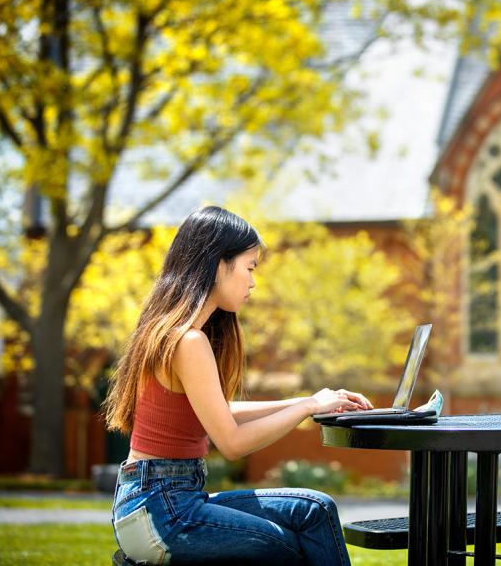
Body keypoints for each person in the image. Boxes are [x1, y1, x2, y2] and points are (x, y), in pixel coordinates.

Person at [103, 206, 372, 565]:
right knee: (284, 549)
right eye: (249, 267)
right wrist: (306, 409)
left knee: (314, 509)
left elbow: (219, 413)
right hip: (161, 510)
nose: (252, 282)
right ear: (219, 264)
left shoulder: (177, 333)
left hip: (165, 499)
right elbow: (230, 442)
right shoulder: (187, 341)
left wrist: (312, 399)